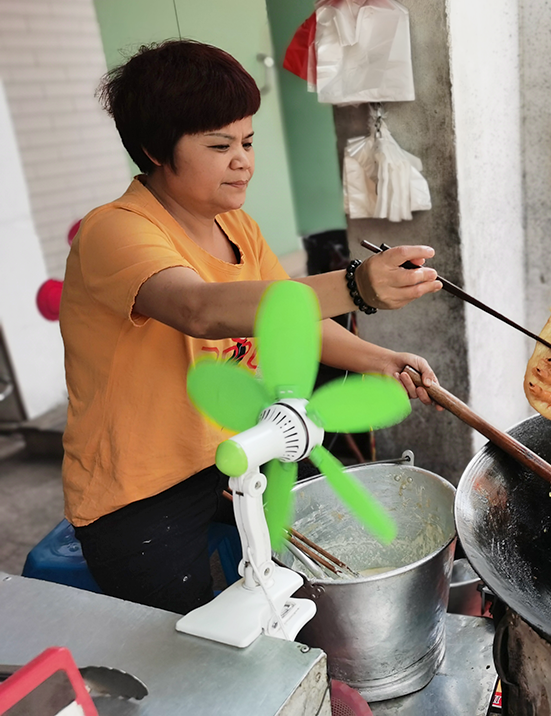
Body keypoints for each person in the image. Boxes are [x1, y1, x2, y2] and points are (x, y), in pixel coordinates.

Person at [59, 39, 443, 614]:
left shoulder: (237, 225)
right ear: (153, 149)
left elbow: (288, 323)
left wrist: (383, 360)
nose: (243, 160)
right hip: (139, 494)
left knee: (305, 581)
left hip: (235, 456)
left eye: (248, 140)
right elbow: (199, 308)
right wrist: (357, 287)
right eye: (219, 145)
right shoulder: (114, 230)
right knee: (189, 647)